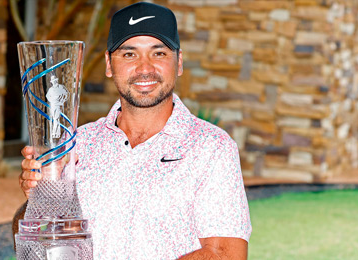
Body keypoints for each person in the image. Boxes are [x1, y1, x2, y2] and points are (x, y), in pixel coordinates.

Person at [17, 2, 252, 259]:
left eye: (158, 53)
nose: (145, 68)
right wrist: (38, 200)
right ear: (109, 64)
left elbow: (225, 255)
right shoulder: (77, 143)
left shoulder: (211, 148)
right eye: (129, 54)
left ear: (179, 62)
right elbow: (40, 248)